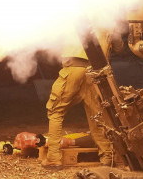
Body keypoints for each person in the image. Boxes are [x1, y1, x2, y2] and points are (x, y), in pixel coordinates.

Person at [43, 38, 113, 170]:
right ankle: (107, 157)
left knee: (55, 110)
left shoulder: (76, 17)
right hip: (97, 72)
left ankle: (53, 158)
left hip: (75, 68)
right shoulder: (109, 19)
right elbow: (119, 46)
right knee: (97, 114)